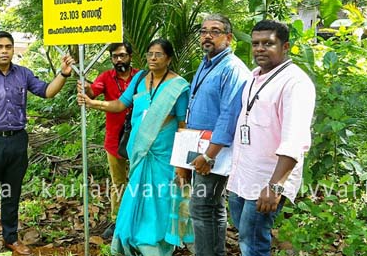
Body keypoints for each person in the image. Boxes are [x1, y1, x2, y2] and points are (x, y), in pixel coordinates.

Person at [0, 31, 75, 256]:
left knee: (12, 194)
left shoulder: (23, 74)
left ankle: (10, 238)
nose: (4, 51)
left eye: (8, 47)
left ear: (13, 49)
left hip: (17, 141)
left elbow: (46, 92)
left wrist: (63, 74)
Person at [78, 39, 190, 255]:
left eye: (158, 54)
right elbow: (120, 104)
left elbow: (183, 125)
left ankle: (157, 244)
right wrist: (93, 103)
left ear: (168, 58)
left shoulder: (179, 87)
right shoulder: (139, 79)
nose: (153, 58)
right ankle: (133, 240)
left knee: (160, 197)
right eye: (150, 54)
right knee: (136, 195)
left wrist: (181, 161)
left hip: (164, 154)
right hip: (140, 151)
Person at [227, 20, 316, 255]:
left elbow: (295, 139)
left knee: (253, 241)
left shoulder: (295, 83)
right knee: (245, 235)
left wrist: (275, 186)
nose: (259, 49)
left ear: (285, 47)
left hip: (268, 178)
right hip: (243, 174)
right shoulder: (254, 76)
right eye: (256, 43)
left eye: (268, 43)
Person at [179, 14, 250, 256]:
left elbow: (229, 116)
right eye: (204, 31)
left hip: (216, 152)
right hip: (201, 147)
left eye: (215, 31)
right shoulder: (206, 63)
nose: (207, 35)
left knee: (200, 208)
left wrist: (209, 156)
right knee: (213, 207)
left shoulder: (232, 69)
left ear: (228, 38)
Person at [77, 42, 139, 239]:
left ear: (130, 56)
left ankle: (139, 219)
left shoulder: (142, 76)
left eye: (122, 55)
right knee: (118, 182)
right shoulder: (105, 77)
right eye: (115, 56)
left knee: (142, 180)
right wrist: (85, 88)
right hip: (115, 139)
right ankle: (117, 220)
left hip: (140, 138)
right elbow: (93, 92)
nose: (119, 59)